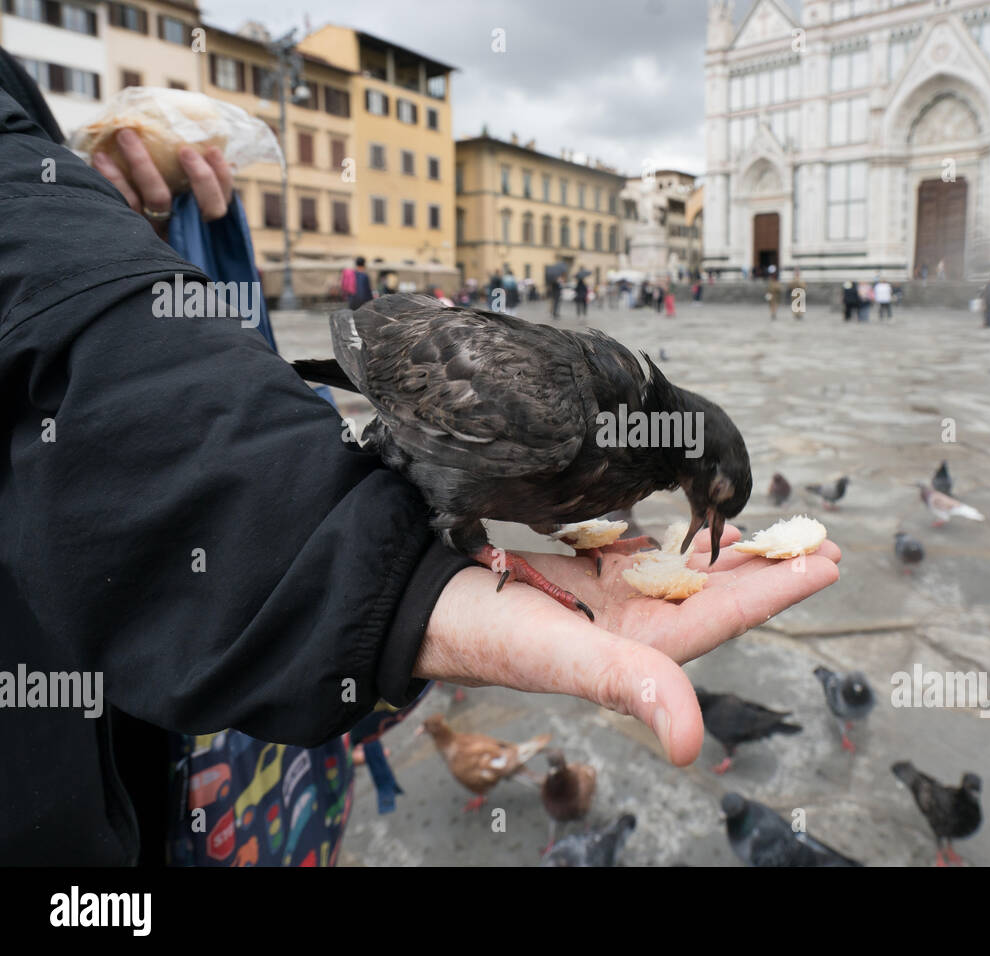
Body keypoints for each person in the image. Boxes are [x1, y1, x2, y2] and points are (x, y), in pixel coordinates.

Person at [0, 63, 842, 865]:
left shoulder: (620, 447)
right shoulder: (560, 414)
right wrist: (439, 568)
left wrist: (400, 590)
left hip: (105, 759)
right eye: (715, 499)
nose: (710, 517)